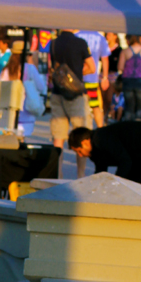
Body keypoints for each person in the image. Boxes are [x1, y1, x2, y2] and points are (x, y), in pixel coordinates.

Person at [48, 28, 95, 178]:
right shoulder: (80, 42)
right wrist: (77, 75)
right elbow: (92, 67)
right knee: (82, 135)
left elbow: (53, 68)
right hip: (75, 94)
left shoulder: (53, 43)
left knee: (58, 136)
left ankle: (58, 175)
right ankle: (80, 175)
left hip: (57, 93)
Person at [69, 122, 141, 187]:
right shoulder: (95, 150)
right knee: (133, 187)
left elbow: (125, 161)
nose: (80, 155)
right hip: (138, 152)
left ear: (85, 143)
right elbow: (100, 173)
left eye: (79, 151)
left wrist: (115, 184)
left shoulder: (100, 138)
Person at [0, 42, 45, 138]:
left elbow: (0, 89)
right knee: (21, 142)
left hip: (9, 115)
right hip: (27, 115)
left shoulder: (6, 70)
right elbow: (41, 87)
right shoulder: (30, 69)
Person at [75, 29, 109, 129]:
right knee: (95, 105)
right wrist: (105, 77)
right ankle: (100, 129)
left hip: (77, 78)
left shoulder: (77, 35)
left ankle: (81, 129)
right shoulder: (100, 38)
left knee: (77, 105)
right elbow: (105, 58)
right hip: (92, 78)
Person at [119, 35, 141, 122]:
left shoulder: (125, 51)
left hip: (128, 81)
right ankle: (138, 127)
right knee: (140, 107)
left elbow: (120, 67)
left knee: (129, 106)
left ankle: (128, 128)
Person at [101, 33, 122, 120]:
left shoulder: (119, 50)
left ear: (115, 36)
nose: (107, 37)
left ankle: (109, 114)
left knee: (109, 98)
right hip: (102, 75)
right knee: (103, 98)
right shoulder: (104, 48)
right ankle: (104, 115)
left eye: (110, 35)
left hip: (113, 75)